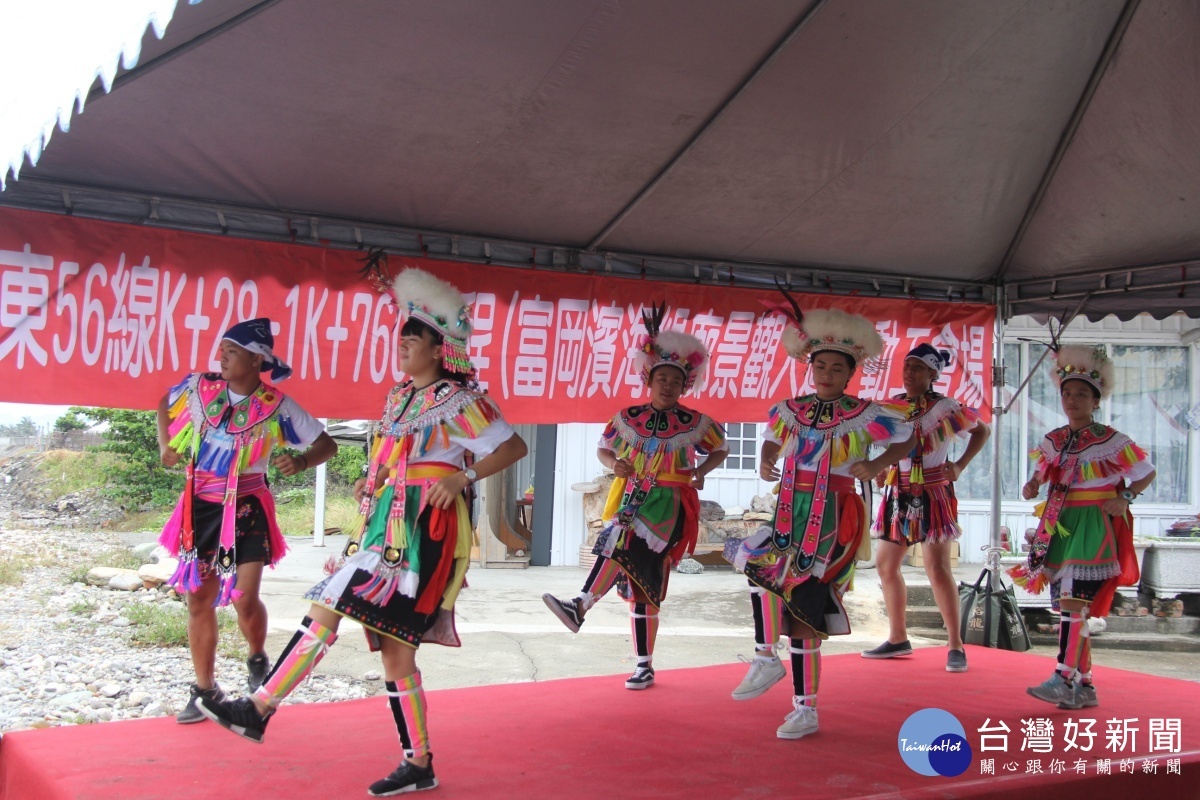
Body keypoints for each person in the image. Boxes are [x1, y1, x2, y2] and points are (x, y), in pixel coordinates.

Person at [199, 266, 527, 796]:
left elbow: (513, 448)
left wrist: (462, 475)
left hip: (425, 529)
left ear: (440, 350)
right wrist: (369, 482)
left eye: (412, 338)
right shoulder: (400, 398)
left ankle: (261, 708)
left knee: (331, 604)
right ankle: (418, 762)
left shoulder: (460, 401)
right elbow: (389, 456)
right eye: (402, 336)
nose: (403, 345)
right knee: (396, 653)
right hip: (386, 522)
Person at [727, 303, 914, 739]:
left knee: (806, 608)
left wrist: (878, 464)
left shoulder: (866, 413)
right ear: (810, 369)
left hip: (834, 514)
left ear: (850, 374)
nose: (826, 374)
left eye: (836, 367)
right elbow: (771, 441)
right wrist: (765, 459)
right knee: (760, 570)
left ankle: (804, 708)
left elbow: (907, 438)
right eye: (820, 366)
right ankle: (766, 657)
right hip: (790, 508)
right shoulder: (791, 409)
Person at [156, 318, 338, 723]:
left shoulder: (278, 406)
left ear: (258, 359)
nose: (221, 356)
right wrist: (166, 445)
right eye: (221, 349)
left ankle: (257, 655)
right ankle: (204, 689)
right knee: (199, 599)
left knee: (242, 595)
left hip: (246, 507)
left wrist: (303, 459)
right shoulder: (199, 388)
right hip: (199, 507)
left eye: (231, 351)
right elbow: (163, 405)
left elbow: (327, 444)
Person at [542, 303, 727, 689]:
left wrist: (701, 470)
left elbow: (720, 449)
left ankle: (580, 604)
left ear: (684, 385)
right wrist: (615, 465)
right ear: (649, 379)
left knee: (622, 546)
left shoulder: (696, 423)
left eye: (675, 381)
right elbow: (604, 449)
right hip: (632, 498)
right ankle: (643, 664)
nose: (667, 386)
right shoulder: (626, 418)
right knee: (643, 583)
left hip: (671, 502)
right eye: (661, 378)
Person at [1010, 344, 1153, 710]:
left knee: (1074, 603)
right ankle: (1084, 684)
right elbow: (1040, 476)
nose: (1072, 400)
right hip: (1059, 525)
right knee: (1073, 608)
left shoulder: (1112, 441)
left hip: (1092, 525)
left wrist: (1126, 499)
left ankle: (1062, 676)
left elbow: (1144, 473)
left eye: (1081, 394)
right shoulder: (1054, 440)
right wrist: (1031, 486)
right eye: (1067, 394)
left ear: (1096, 400)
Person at [861, 344, 990, 672]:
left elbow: (982, 430)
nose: (909, 373)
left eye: (917, 368)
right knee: (886, 565)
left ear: (933, 374)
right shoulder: (893, 407)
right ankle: (898, 637)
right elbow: (883, 444)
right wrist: (881, 472)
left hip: (933, 491)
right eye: (907, 367)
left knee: (937, 567)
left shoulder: (946, 407)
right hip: (898, 493)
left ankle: (955, 645)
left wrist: (959, 465)